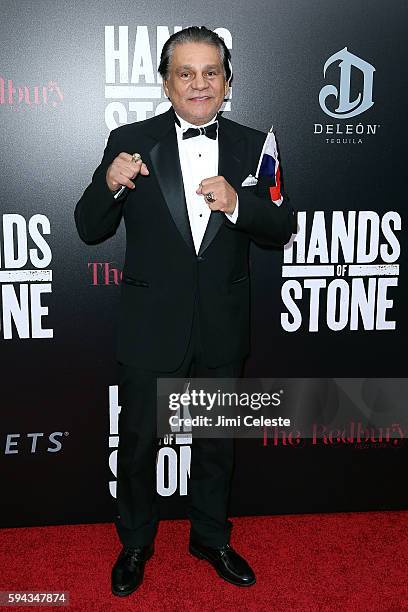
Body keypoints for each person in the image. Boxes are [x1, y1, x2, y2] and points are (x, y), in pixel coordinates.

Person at [75, 26, 296, 596]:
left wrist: (239, 202)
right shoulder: (130, 140)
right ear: (166, 84)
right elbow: (88, 226)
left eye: (211, 73)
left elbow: (281, 225)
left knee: (216, 443)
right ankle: (135, 542)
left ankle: (210, 536)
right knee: (140, 441)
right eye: (186, 73)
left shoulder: (256, 145)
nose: (200, 84)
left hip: (222, 323)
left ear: (227, 82)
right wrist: (110, 182)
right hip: (152, 325)